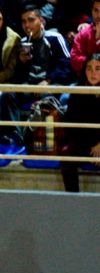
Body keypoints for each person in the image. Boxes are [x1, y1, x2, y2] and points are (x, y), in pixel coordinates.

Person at [0, 5, 72, 146]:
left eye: (31, 20)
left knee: (46, 99)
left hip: (52, 84)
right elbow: (18, 76)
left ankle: (43, 142)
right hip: (31, 86)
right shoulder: (23, 42)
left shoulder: (55, 38)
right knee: (7, 95)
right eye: (24, 21)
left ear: (41, 20)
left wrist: (47, 80)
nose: (27, 25)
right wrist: (21, 62)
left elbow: (66, 65)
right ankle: (15, 136)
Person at [59, 53, 100, 192]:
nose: (93, 73)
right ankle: (73, 198)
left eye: (98, 68)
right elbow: (72, 127)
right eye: (89, 68)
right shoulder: (77, 92)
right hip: (84, 143)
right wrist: (92, 145)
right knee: (66, 155)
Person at [70, 0, 100, 75]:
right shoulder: (83, 33)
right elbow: (74, 60)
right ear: (92, 11)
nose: (99, 15)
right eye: (96, 10)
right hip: (85, 79)